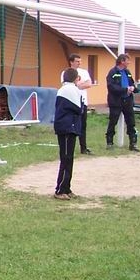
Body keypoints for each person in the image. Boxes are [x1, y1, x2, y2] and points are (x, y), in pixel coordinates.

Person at [54, 68, 83, 200]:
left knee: (68, 158)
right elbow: (79, 109)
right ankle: (60, 190)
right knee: (66, 159)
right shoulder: (71, 90)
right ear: (76, 78)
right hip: (67, 128)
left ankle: (66, 187)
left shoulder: (64, 89)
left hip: (68, 127)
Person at [105, 53, 140, 151]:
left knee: (131, 122)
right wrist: (125, 89)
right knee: (113, 122)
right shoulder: (113, 72)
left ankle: (133, 143)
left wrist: (133, 88)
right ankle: (109, 142)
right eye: (128, 60)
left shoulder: (127, 72)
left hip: (128, 101)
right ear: (122, 61)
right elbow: (111, 87)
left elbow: (132, 83)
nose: (129, 62)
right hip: (116, 101)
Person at [61, 53, 93, 154]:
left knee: (83, 125)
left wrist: (78, 85)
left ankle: (83, 147)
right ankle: (70, 147)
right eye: (77, 61)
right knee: (71, 125)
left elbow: (89, 84)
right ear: (71, 62)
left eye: (80, 61)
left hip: (82, 102)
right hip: (71, 102)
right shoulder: (65, 72)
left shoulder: (84, 72)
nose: (79, 63)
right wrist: (80, 84)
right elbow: (66, 85)